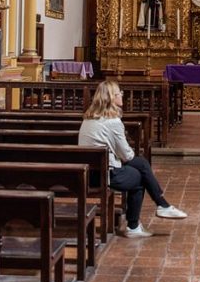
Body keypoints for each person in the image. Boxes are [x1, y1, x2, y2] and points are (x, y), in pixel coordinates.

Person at [79, 81, 187, 238]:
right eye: (119, 93)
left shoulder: (88, 119)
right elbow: (126, 155)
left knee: (141, 165)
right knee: (140, 175)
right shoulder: (113, 122)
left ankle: (161, 206)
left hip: (87, 173)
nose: (122, 95)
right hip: (105, 175)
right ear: (111, 97)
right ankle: (138, 222)